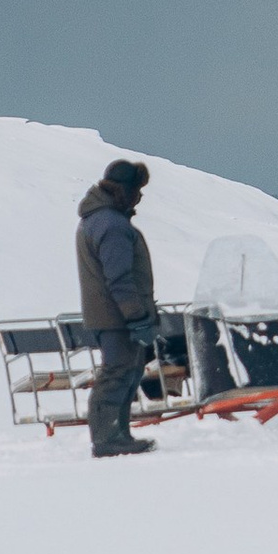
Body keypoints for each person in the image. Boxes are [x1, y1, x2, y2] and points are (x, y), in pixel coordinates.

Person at [76, 159, 160, 457]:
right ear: (124, 190)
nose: (140, 197)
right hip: (116, 317)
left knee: (128, 373)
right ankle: (107, 438)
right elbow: (120, 278)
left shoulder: (98, 219)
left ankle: (119, 434)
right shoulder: (112, 225)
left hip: (110, 315)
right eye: (137, 190)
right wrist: (137, 317)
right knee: (116, 374)